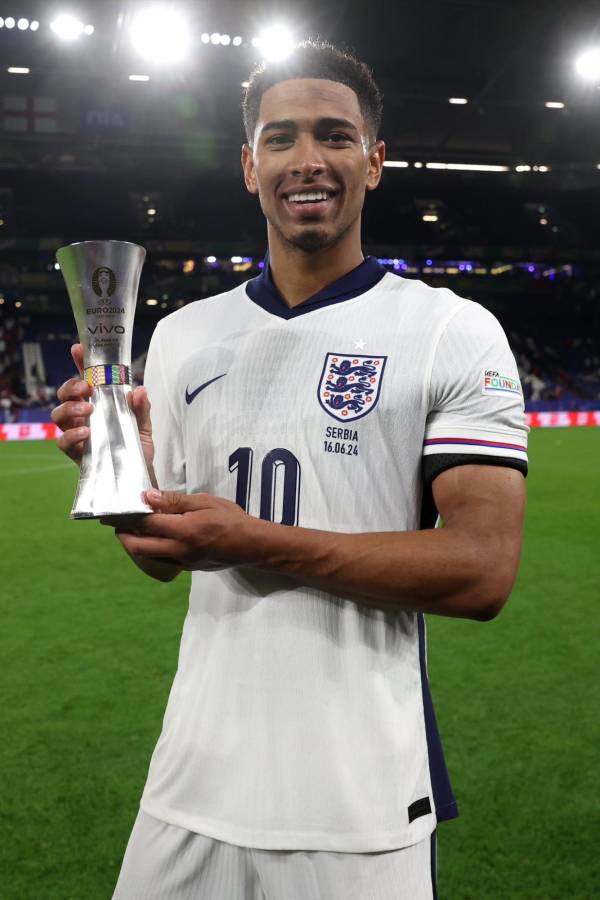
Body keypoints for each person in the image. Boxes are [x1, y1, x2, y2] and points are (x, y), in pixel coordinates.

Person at [52, 41, 528, 900]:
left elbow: (483, 570)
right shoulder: (183, 336)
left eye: (335, 135)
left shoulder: (449, 330)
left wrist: (256, 541)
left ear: (374, 161)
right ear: (250, 166)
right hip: (189, 789)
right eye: (281, 138)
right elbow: (162, 558)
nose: (307, 159)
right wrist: (120, 474)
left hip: (359, 806)